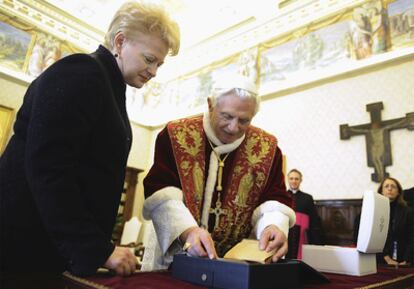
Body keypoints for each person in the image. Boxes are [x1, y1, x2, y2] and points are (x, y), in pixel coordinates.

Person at [0, 0, 180, 286]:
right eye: (149, 59)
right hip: (24, 255)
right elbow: (49, 170)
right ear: (120, 42)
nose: (154, 71)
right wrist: (96, 249)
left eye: (159, 63)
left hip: (46, 253)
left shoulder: (105, 83)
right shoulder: (81, 72)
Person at [141, 74, 295, 271]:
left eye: (244, 121)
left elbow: (274, 199)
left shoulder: (268, 149)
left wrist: (273, 226)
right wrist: (188, 231)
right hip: (179, 254)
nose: (233, 127)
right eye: (227, 116)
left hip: (237, 264)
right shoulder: (175, 135)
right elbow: (161, 191)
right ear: (210, 104)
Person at [354, 177, 414, 266]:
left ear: (398, 192)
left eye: (393, 186)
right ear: (381, 191)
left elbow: (411, 237)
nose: (390, 188)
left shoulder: (408, 211)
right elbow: (371, 238)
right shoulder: (372, 211)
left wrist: (406, 260)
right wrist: (386, 258)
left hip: (403, 259)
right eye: (386, 186)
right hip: (379, 259)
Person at [286, 169, 324, 259]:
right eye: (291, 178)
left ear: (300, 180)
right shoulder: (283, 196)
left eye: (296, 179)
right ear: (288, 180)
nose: (294, 181)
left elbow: (314, 219)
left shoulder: (307, 198)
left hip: (302, 235)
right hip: (286, 233)